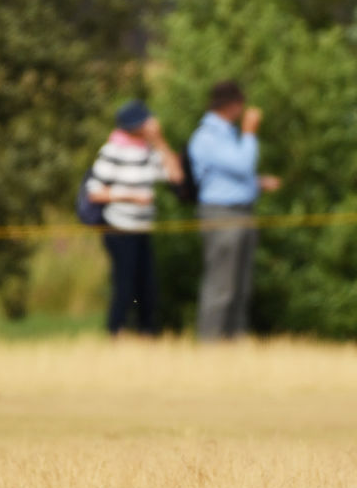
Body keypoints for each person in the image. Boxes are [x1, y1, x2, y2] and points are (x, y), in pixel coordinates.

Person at [188, 80, 281, 340]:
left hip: (241, 212)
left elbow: (233, 176)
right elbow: (242, 165)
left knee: (241, 287)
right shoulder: (208, 136)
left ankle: (234, 346)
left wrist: (258, 184)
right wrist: (250, 132)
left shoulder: (226, 134)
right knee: (222, 286)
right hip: (222, 214)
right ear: (231, 105)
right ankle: (211, 346)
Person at [86, 100, 183, 336]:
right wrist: (131, 196)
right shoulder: (113, 151)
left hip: (142, 228)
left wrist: (159, 141)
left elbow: (176, 176)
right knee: (125, 285)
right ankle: (116, 331)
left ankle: (147, 333)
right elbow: (95, 191)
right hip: (119, 229)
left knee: (147, 287)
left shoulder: (147, 150)